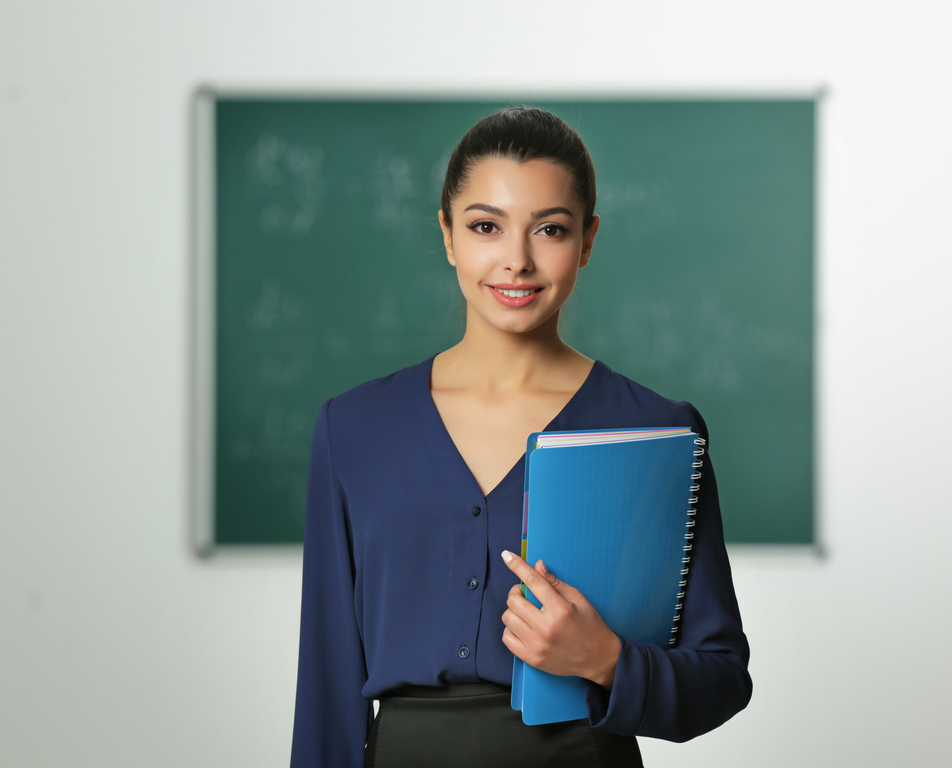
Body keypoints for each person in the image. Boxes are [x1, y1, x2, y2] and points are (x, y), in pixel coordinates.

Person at [290, 107, 751, 768]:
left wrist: (606, 660)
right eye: (485, 226)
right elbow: (327, 687)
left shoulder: (659, 430)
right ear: (447, 236)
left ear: (588, 241)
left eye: (551, 230)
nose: (517, 261)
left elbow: (720, 677)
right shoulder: (354, 429)